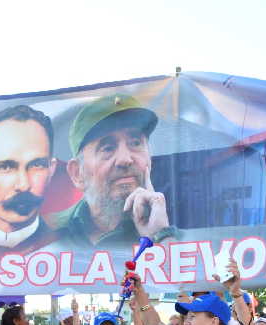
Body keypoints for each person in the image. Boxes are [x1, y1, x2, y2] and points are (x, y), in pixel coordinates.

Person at [55, 94, 176, 247]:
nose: (125, 159)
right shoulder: (45, 233)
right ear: (77, 173)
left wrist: (160, 236)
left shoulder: (181, 237)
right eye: (108, 148)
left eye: (135, 143)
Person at [0, 105, 57, 256]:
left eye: (36, 165)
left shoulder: (76, 248)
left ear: (51, 170)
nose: (24, 185)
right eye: (6, 167)